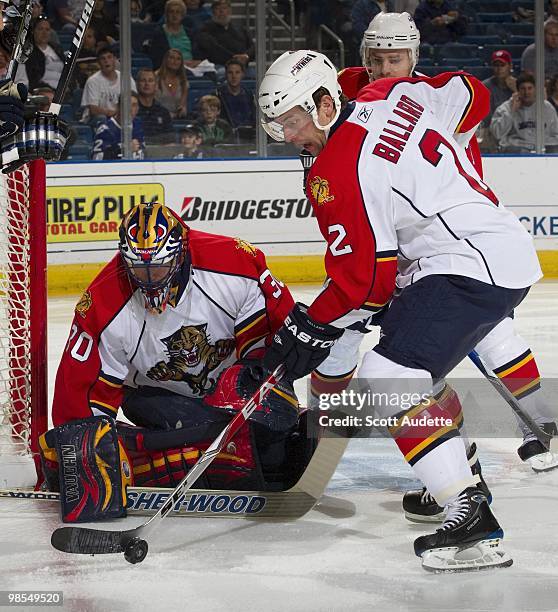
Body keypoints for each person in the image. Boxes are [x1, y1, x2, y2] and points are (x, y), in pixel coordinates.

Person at [258, 50, 543, 572]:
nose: (291, 137)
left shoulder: (339, 168)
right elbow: (468, 90)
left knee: (386, 378)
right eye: (280, 128)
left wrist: (310, 325)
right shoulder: (390, 92)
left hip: (464, 264)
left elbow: (366, 281)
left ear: (324, 104)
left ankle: (470, 516)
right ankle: (459, 470)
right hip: (491, 248)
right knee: (417, 374)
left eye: (294, 122)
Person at [332, 13, 558, 519]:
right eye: (377, 60)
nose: (386, 68)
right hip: (441, 245)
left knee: (419, 363)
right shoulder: (384, 100)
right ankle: (477, 460)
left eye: (396, 58)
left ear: (413, 58)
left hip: (452, 244)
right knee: (428, 363)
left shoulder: (433, 98)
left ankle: (516, 438)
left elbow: (472, 93)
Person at [39, 202, 304, 523]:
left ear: (181, 255)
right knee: (251, 453)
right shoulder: (103, 305)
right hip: (157, 400)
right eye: (139, 270)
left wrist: (266, 389)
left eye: (160, 268)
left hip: (231, 392)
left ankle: (243, 449)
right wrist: (81, 452)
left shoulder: (234, 263)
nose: (150, 280)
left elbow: (272, 343)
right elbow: (81, 393)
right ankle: (170, 458)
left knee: (268, 415)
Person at [490, 72, 558, 153]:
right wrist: (512, 111)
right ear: (517, 91)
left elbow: (555, 134)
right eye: (523, 89)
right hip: (517, 149)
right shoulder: (506, 108)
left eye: (530, 88)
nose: (526, 92)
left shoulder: (547, 107)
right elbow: (497, 134)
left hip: (543, 148)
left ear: (535, 89)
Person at [81, 48, 137, 126]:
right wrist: (116, 114)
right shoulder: (92, 81)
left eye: (109, 57)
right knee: (102, 118)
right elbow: (93, 110)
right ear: (99, 63)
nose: (106, 61)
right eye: (103, 58)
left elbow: (135, 102)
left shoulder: (127, 79)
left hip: (121, 117)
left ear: (115, 60)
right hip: (97, 119)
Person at [197, 0, 255, 69]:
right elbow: (214, 50)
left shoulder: (240, 29)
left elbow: (252, 47)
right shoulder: (205, 30)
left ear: (230, 11)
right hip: (219, 66)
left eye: (224, 8)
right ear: (212, 12)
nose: (221, 11)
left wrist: (246, 56)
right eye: (218, 8)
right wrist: (235, 59)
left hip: (242, 67)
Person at [16, 17, 65, 92]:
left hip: (63, 87)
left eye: (47, 29)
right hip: (44, 89)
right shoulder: (29, 52)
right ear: (33, 31)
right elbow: (33, 79)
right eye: (40, 29)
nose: (44, 32)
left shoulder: (57, 49)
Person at [91, 92, 145, 160]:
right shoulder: (106, 129)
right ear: (118, 107)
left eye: (134, 105)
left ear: (137, 109)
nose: (130, 109)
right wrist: (123, 149)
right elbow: (97, 158)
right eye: (127, 105)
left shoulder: (138, 124)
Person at [148, 0, 198, 70]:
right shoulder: (159, 34)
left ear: (182, 15)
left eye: (178, 12)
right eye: (171, 12)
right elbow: (158, 60)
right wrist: (180, 63)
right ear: (166, 14)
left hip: (192, 67)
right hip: (170, 68)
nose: (174, 15)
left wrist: (196, 62)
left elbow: (198, 54)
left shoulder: (190, 33)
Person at [136, 67, 174, 144]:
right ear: (137, 84)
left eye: (150, 81)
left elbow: (170, 140)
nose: (147, 84)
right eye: (143, 80)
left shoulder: (163, 112)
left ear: (156, 86)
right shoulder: (131, 109)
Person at [217, 58, 255, 131]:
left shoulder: (248, 95)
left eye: (237, 72)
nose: (234, 76)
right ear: (225, 74)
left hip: (247, 135)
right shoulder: (218, 94)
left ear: (243, 74)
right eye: (230, 72)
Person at [155, 48, 189, 119]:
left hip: (177, 118)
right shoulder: (155, 77)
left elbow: (182, 104)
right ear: (166, 60)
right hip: (158, 116)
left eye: (178, 59)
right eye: (172, 58)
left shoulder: (183, 81)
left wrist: (182, 109)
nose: (175, 61)